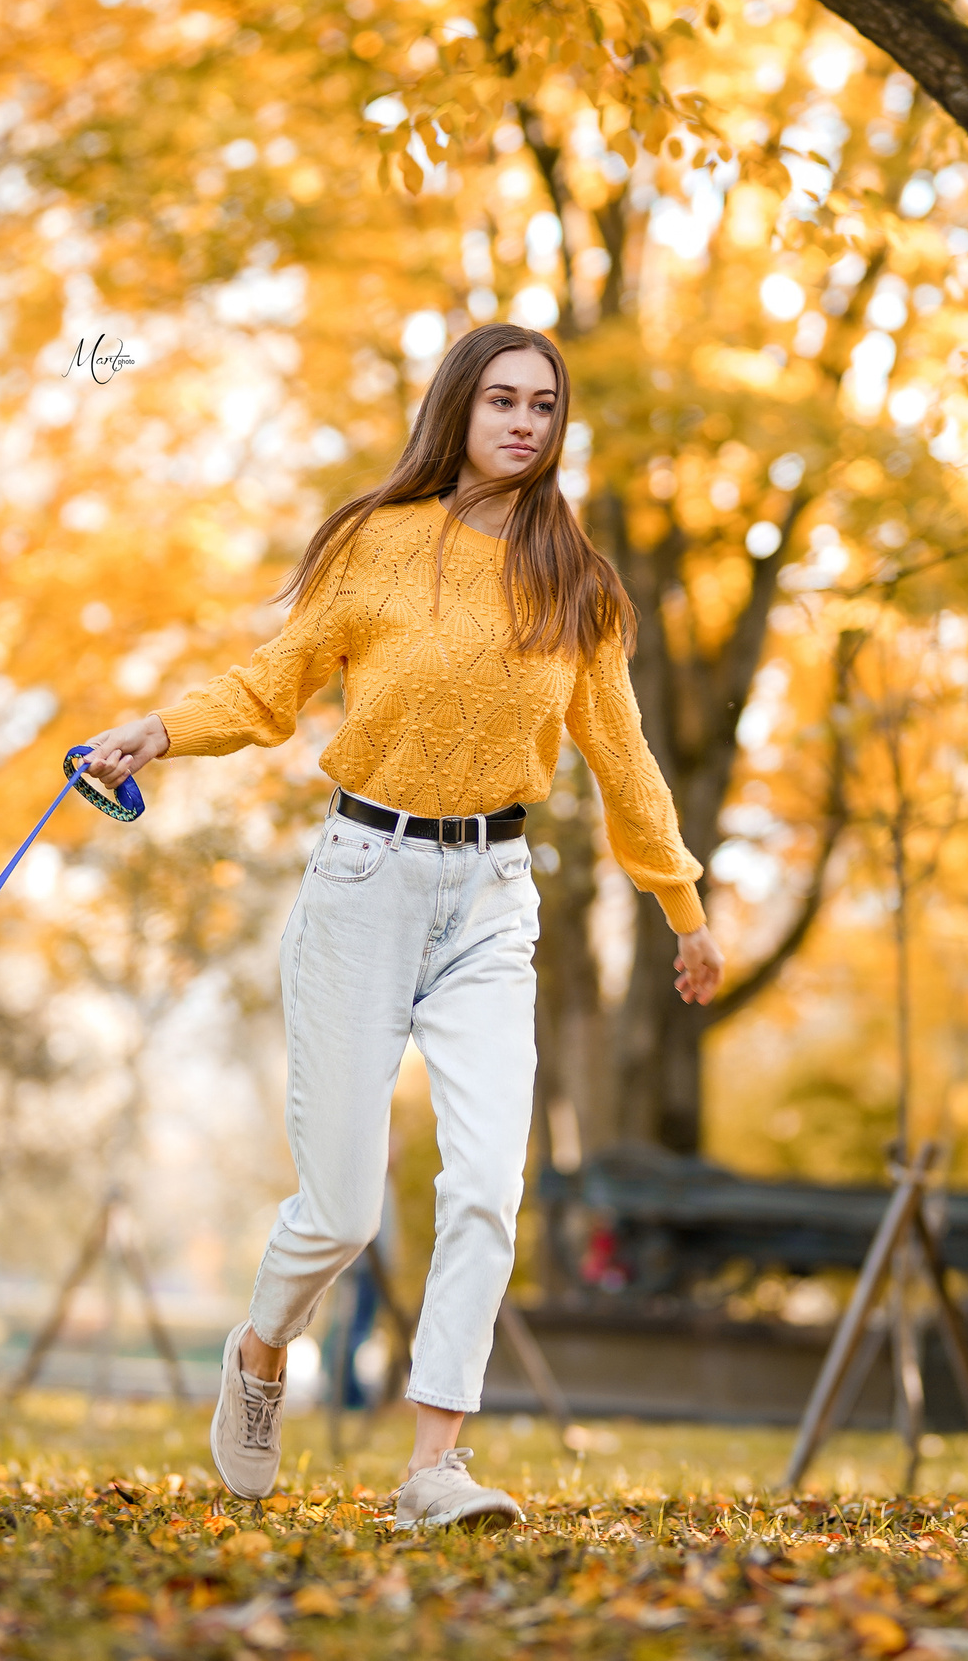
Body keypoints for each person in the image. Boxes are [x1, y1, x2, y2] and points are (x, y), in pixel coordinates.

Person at [79, 324, 721, 1530]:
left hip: (492, 898)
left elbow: (624, 760)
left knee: (486, 1185)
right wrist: (154, 730)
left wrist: (680, 906)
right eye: (501, 401)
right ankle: (263, 1351)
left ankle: (434, 1467)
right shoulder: (376, 546)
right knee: (342, 1211)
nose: (524, 422)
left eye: (544, 405)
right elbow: (270, 687)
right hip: (365, 880)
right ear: (459, 412)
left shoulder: (575, 582)